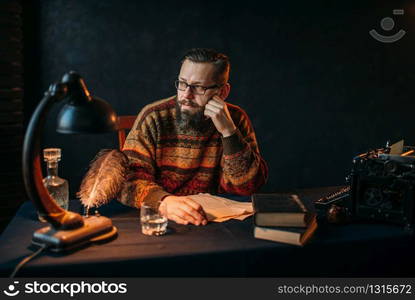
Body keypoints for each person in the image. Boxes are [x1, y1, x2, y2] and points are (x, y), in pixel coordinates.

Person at [118, 48, 268, 226]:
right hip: (163, 217)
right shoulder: (154, 117)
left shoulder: (235, 119)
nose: (186, 95)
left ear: (222, 92)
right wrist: (163, 201)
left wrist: (229, 133)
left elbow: (248, 187)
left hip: (215, 223)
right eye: (182, 83)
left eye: (198, 87)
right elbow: (128, 181)